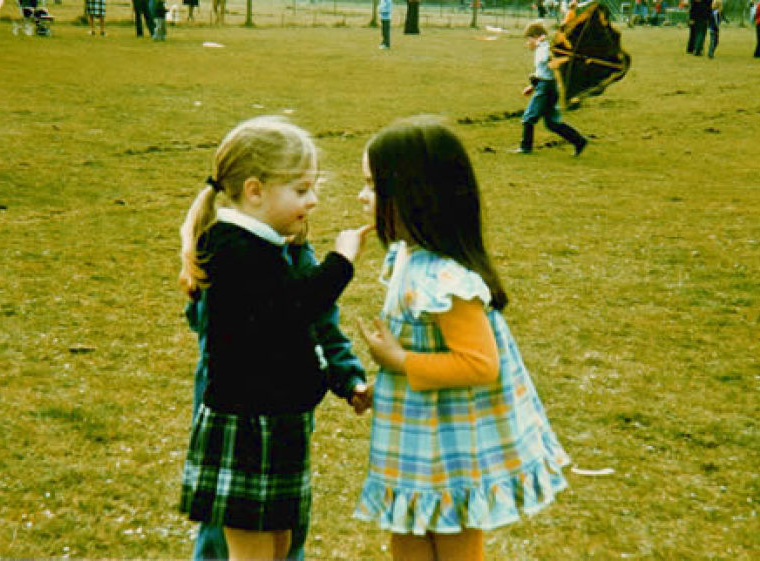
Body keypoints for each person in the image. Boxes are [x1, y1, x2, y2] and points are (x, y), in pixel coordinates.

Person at [354, 116, 571, 561]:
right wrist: (386, 389)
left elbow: (478, 364)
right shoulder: (408, 260)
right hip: (416, 439)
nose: (363, 196)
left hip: (451, 449)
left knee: (454, 538)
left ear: (414, 196)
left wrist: (398, 362)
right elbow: (432, 351)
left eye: (374, 186)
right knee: (407, 528)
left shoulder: (447, 281)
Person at [178, 115, 372, 561]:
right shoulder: (232, 246)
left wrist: (345, 378)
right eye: (302, 190)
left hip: (279, 421)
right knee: (250, 552)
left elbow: (313, 320)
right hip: (249, 427)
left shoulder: (270, 245)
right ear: (255, 190)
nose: (314, 200)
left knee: (282, 545)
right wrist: (341, 263)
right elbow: (290, 310)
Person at [513, 22, 587, 156]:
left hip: (546, 88)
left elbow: (545, 61)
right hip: (546, 85)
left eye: (529, 39)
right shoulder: (543, 47)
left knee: (529, 117)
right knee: (552, 123)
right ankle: (579, 141)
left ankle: (525, 147)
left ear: (535, 36)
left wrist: (540, 44)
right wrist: (532, 86)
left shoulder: (545, 48)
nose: (527, 43)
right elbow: (543, 71)